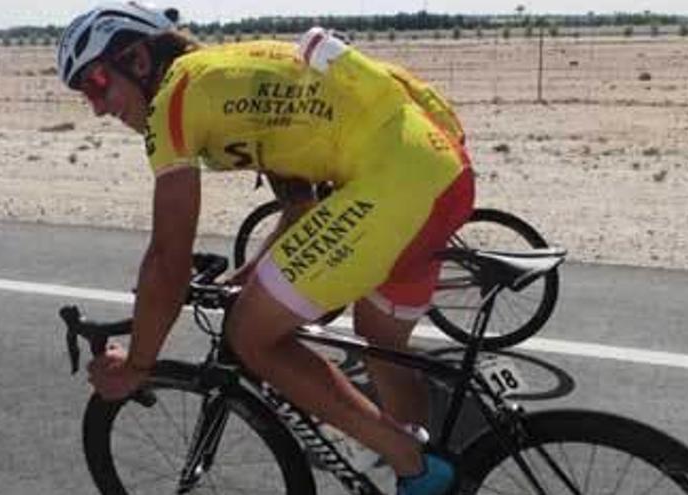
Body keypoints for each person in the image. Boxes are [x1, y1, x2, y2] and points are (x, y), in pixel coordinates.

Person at [57, 3, 474, 494]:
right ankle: (422, 470)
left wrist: (137, 367)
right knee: (382, 346)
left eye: (96, 83)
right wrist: (251, 272)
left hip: (396, 182)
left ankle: (412, 464)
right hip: (443, 171)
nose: (98, 106)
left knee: (252, 335)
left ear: (138, 60)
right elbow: (299, 208)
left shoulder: (175, 98)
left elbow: (169, 256)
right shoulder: (232, 79)